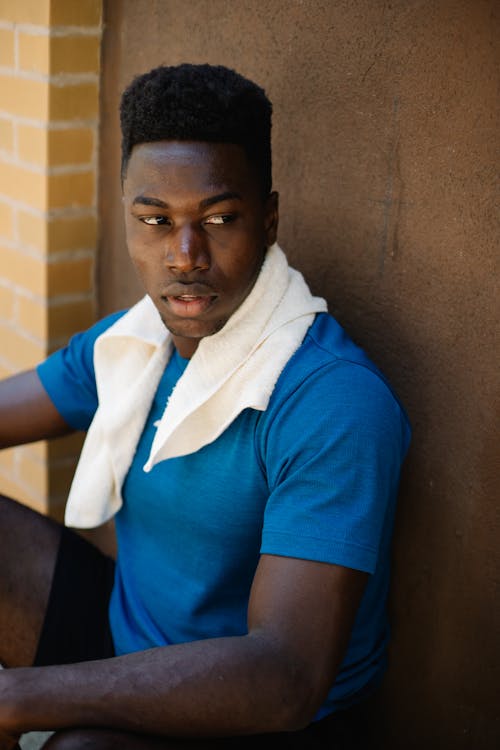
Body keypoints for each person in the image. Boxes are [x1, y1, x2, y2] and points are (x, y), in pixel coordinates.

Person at [0, 63, 411, 750]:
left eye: (219, 219)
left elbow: (285, 676)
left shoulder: (332, 400)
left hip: (254, 710)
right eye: (155, 221)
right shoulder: (135, 342)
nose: (184, 255)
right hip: (131, 634)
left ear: (269, 217)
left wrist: (18, 698)